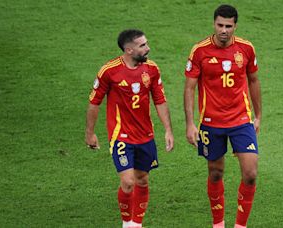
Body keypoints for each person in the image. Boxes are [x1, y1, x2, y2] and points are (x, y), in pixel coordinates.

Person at [85, 29, 174, 228]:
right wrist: (90, 134)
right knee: (128, 182)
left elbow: (159, 99)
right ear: (129, 50)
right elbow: (94, 102)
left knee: (142, 180)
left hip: (145, 135)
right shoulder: (109, 71)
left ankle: (137, 223)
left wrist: (168, 129)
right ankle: (127, 224)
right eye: (142, 45)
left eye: (146, 43)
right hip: (121, 136)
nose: (148, 48)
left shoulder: (151, 69)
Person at [184, 4, 262, 228]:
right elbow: (189, 88)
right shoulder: (199, 51)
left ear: (235, 26)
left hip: (241, 121)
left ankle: (240, 225)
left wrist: (258, 116)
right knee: (216, 173)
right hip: (211, 122)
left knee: (250, 173)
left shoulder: (246, 49)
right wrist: (190, 124)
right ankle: (218, 224)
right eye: (220, 25)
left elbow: (254, 81)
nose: (224, 30)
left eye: (228, 26)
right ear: (214, 24)